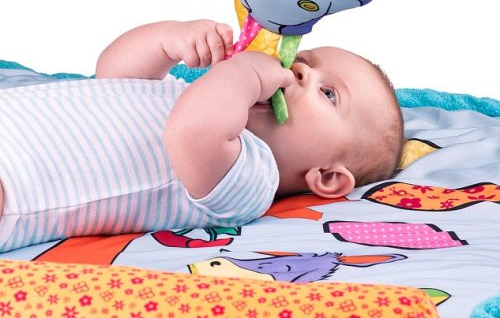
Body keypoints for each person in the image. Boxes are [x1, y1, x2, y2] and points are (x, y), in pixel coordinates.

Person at [0, 19, 404, 252]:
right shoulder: (183, 93)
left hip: (14, 185)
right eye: (302, 61)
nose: (299, 71)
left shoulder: (250, 179)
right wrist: (169, 39)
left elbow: (191, 131)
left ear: (327, 176)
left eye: (328, 93)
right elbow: (112, 74)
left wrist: (243, 73)